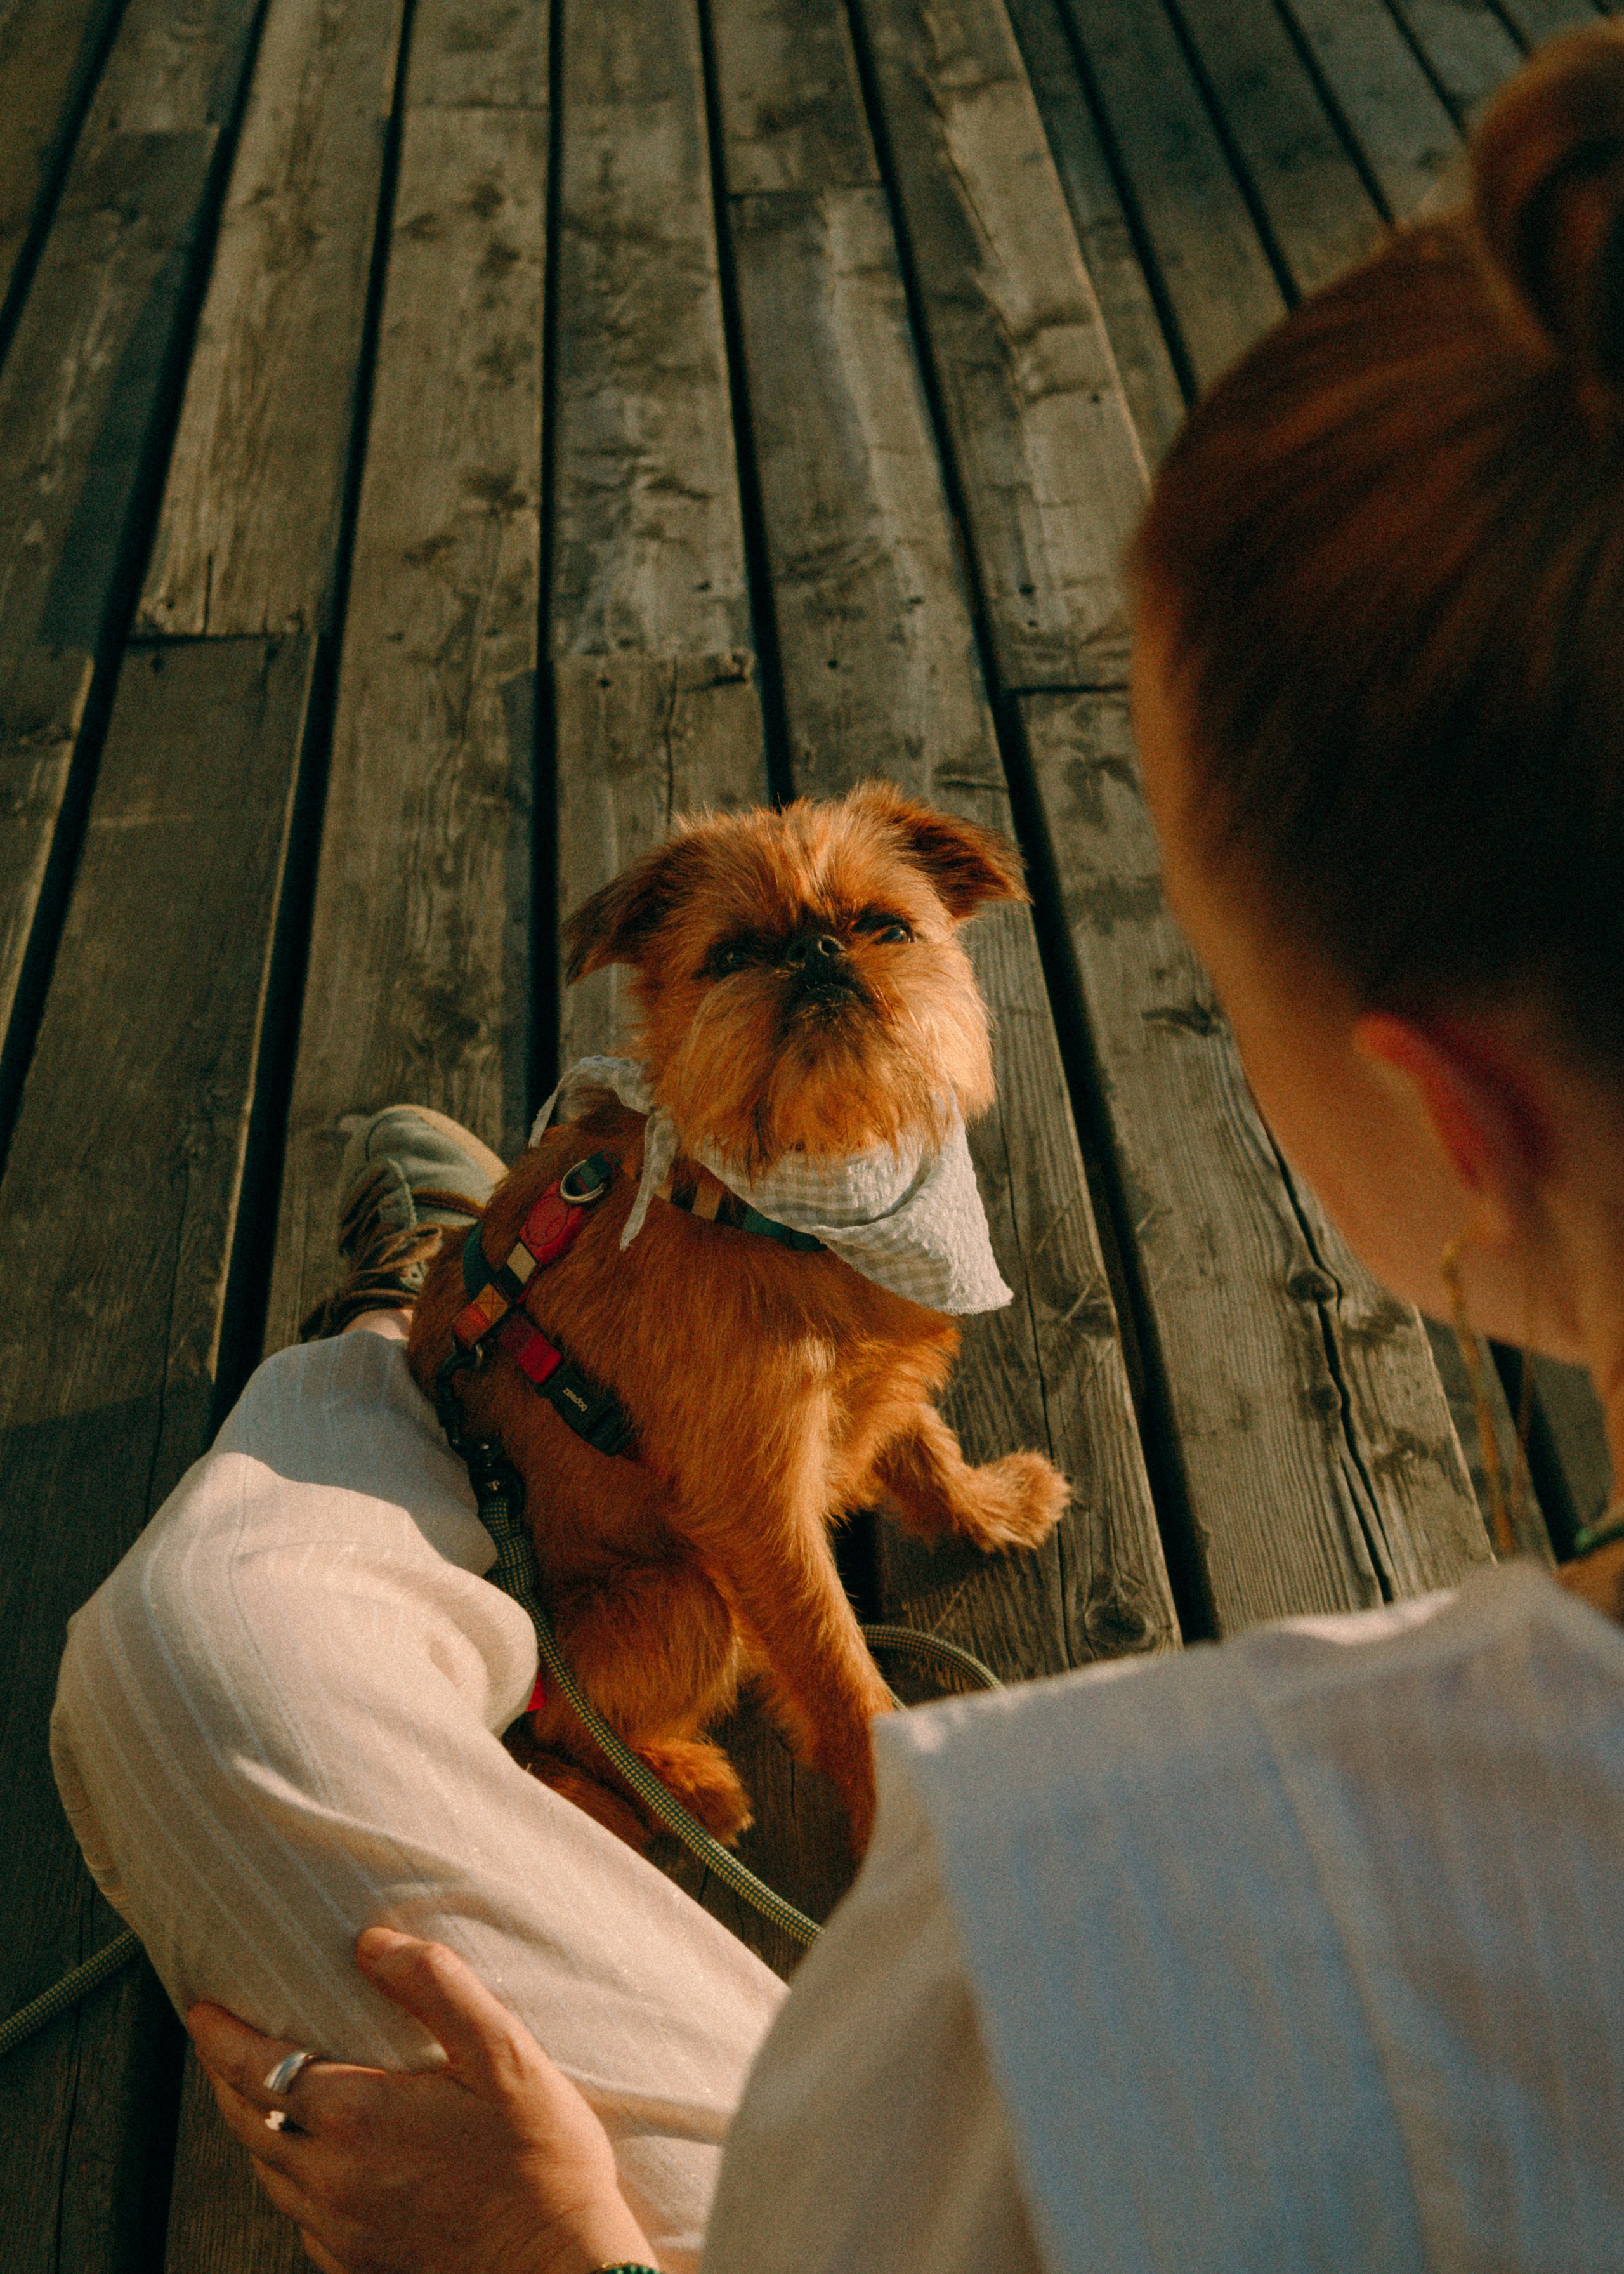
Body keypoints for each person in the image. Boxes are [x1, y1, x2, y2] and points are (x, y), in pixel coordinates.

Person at [52, 21, 1624, 2273]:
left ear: (1444, 1119)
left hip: (812, 2083)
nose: (825, 975)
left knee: (186, 1664)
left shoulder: (1079, 1916)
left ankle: (396, 1336)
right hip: (643, 1448)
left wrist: (570, 2252)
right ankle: (436, 1315)